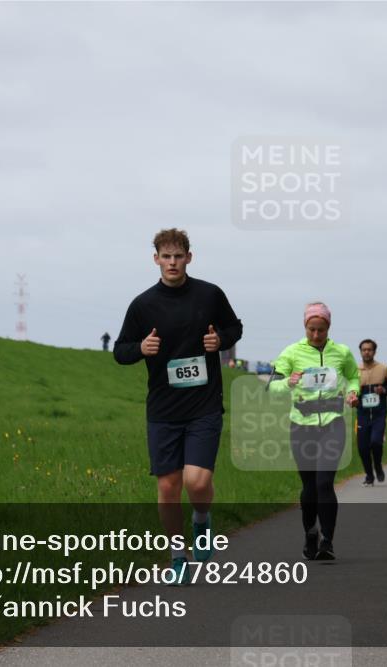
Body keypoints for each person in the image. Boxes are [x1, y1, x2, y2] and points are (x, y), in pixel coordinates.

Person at [113, 228, 243, 585]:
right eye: (165, 256)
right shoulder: (142, 305)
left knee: (197, 481)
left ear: (189, 257)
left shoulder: (210, 294)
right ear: (155, 259)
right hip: (163, 410)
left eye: (178, 256)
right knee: (169, 488)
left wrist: (221, 340)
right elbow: (120, 351)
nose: (172, 262)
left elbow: (235, 328)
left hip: (203, 404)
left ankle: (201, 519)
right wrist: (140, 349)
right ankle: (177, 557)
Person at [269, 302, 359, 560]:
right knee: (309, 486)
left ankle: (327, 541)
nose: (316, 335)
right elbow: (272, 388)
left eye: (321, 330)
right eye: (311, 330)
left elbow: (353, 376)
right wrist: (288, 381)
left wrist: (353, 392)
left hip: (333, 423)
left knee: (324, 482)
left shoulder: (341, 352)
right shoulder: (292, 352)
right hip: (302, 425)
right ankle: (310, 532)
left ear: (328, 327)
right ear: (305, 327)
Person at [356, 338, 387, 486]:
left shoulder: (384, 369)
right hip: (362, 414)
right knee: (362, 447)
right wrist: (354, 395)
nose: (366, 352)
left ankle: (378, 465)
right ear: (360, 352)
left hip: (379, 414)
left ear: (374, 351)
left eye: (369, 349)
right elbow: (350, 391)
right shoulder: (355, 371)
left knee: (376, 442)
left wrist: (384, 389)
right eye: (364, 349)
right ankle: (369, 475)